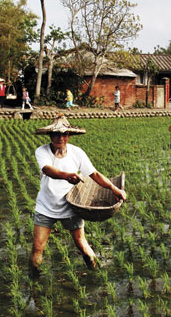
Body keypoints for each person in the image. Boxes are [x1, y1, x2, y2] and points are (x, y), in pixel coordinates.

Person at [30, 115, 127, 278]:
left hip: (71, 206)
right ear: (50, 136)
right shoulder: (42, 151)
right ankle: (34, 280)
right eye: (56, 134)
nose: (60, 138)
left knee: (81, 244)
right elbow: (47, 170)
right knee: (38, 247)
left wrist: (113, 188)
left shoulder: (77, 153)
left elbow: (94, 174)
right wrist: (67, 175)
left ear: (68, 136)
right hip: (46, 206)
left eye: (64, 134)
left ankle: (96, 273)